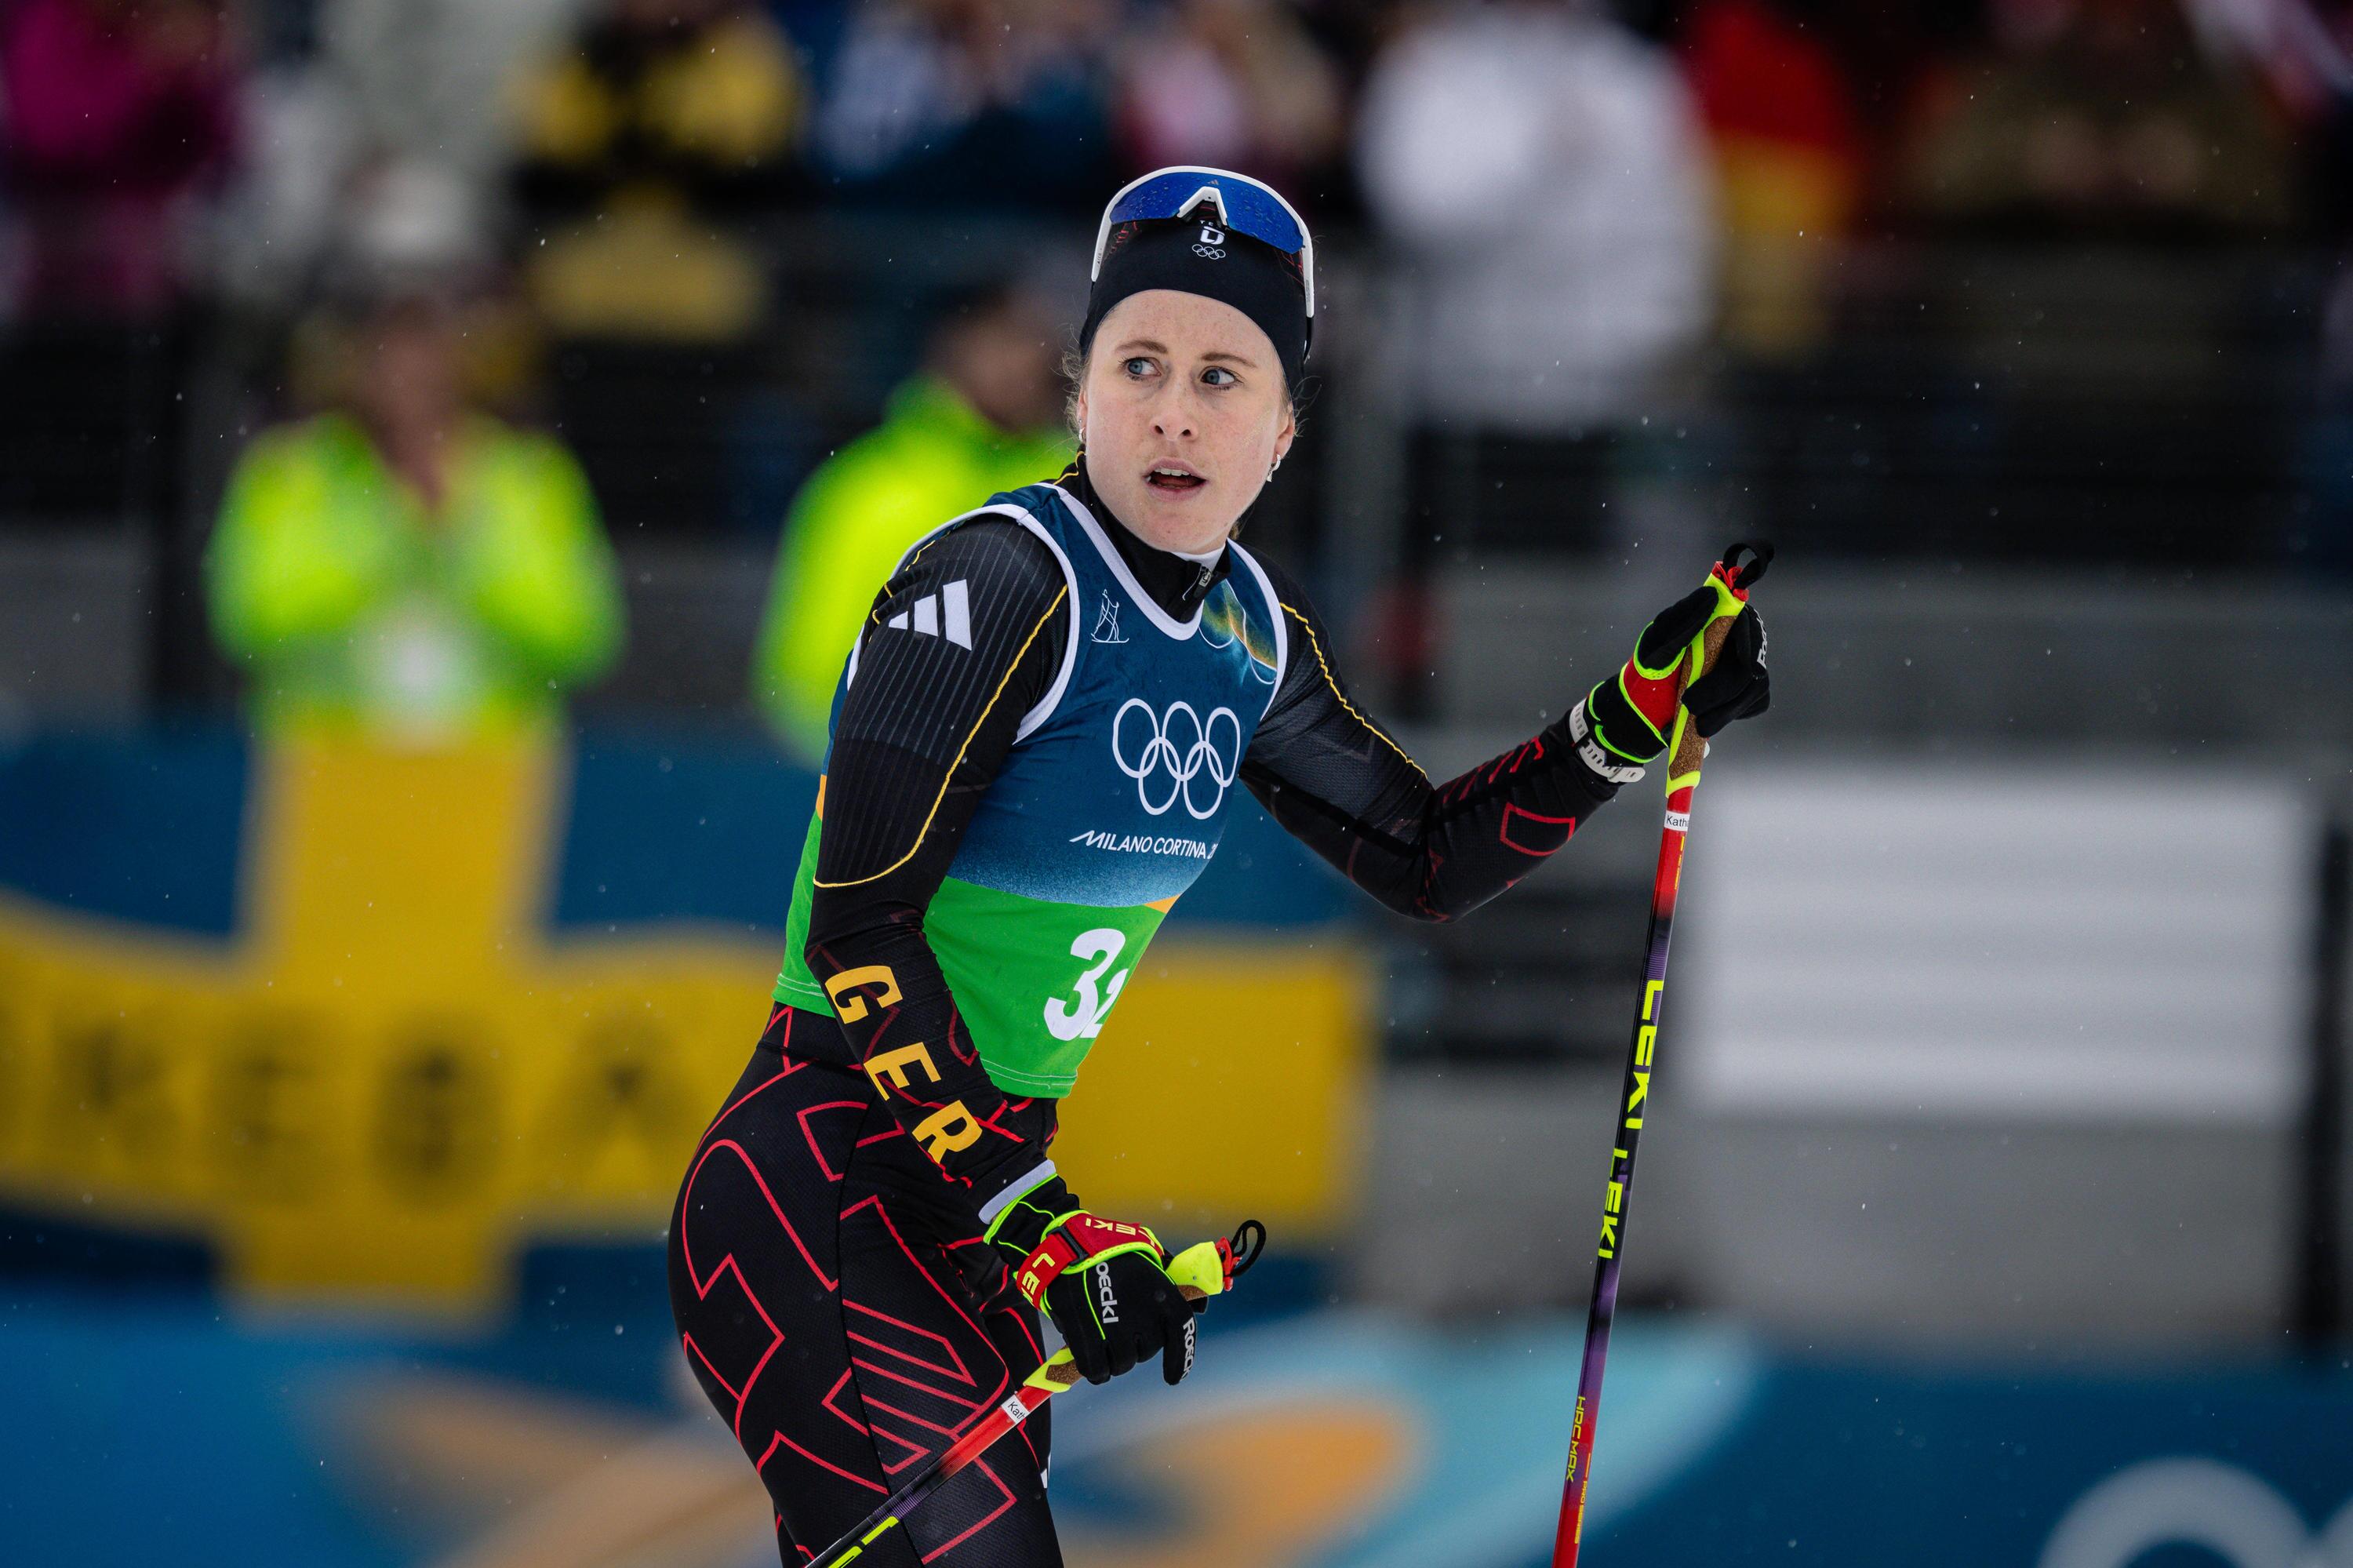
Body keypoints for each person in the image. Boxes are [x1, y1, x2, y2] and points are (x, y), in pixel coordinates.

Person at [665, 166, 1770, 1566]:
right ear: (1080, 393)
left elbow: (1425, 855)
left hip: (962, 1219)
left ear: (1284, 430)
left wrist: (1626, 721)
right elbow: (858, 932)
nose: (1175, 410)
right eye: (1139, 364)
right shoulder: (1000, 579)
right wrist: (1035, 1218)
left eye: (1222, 376)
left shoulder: (1249, 632)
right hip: (817, 1183)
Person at [205, 268, 626, 741]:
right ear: (352, 361)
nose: (410, 378)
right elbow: (248, 620)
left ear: (466, 363)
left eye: (429, 354)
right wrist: (390, 528)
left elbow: (581, 637)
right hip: (325, 763)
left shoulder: (531, 477)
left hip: (489, 767)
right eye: (390, 355)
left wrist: (460, 540)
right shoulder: (288, 472)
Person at [751, 279, 1073, 762]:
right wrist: (891, 772)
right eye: (1002, 337)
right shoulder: (862, 491)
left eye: (1033, 338)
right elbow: (801, 683)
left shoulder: (1079, 484)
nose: (1022, 359)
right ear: (953, 344)